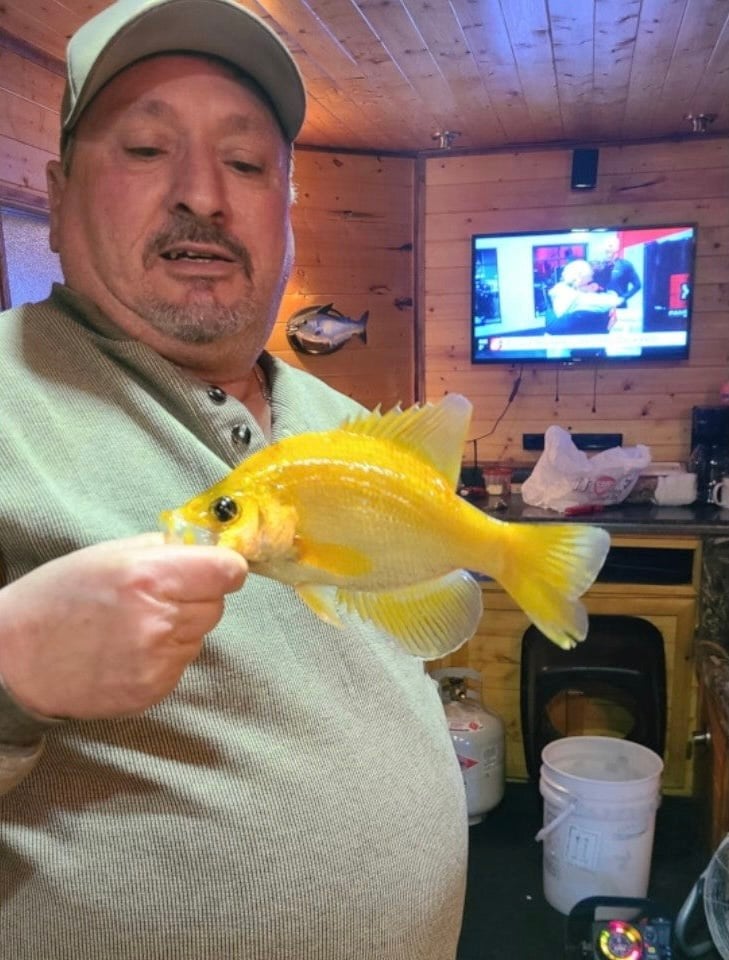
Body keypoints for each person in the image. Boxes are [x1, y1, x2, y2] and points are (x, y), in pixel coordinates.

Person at [0, 1, 467, 957]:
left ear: (284, 209)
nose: (205, 195)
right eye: (143, 149)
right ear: (54, 198)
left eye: (247, 163)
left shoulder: (348, 429)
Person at [546, 258, 621, 335]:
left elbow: (551, 327)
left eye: (581, 283)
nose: (576, 287)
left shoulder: (584, 311)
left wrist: (549, 309)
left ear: (593, 287)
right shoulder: (608, 299)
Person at [592, 236, 642, 306]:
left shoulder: (625, 265)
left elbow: (637, 285)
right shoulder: (599, 266)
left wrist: (623, 298)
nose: (607, 249)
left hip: (619, 307)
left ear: (616, 248)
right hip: (601, 306)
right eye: (606, 246)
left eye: (610, 246)